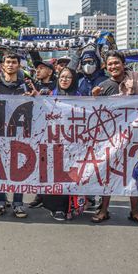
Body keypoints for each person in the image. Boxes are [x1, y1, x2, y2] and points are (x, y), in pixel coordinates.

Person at [91, 50, 138, 224]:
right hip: (110, 137)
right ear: (106, 67)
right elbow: (96, 114)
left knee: (134, 170)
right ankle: (104, 209)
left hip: (135, 135)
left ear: (123, 64)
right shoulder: (102, 87)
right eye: (110, 64)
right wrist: (94, 98)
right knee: (108, 172)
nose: (113, 66)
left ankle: (135, 210)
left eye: (116, 63)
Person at [0, 52, 33, 219]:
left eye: (14, 62)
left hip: (20, 134)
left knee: (18, 170)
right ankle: (0, 202)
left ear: (19, 65)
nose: (11, 65)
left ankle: (18, 204)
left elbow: (39, 103)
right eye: (8, 62)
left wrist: (34, 98)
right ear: (2, 65)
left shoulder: (25, 85)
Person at [39, 66, 84, 220]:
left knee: (70, 173)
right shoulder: (51, 95)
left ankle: (69, 206)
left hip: (73, 142)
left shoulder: (80, 97)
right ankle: (56, 207)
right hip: (54, 141)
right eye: (62, 77)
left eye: (68, 77)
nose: (64, 80)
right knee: (55, 174)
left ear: (74, 80)